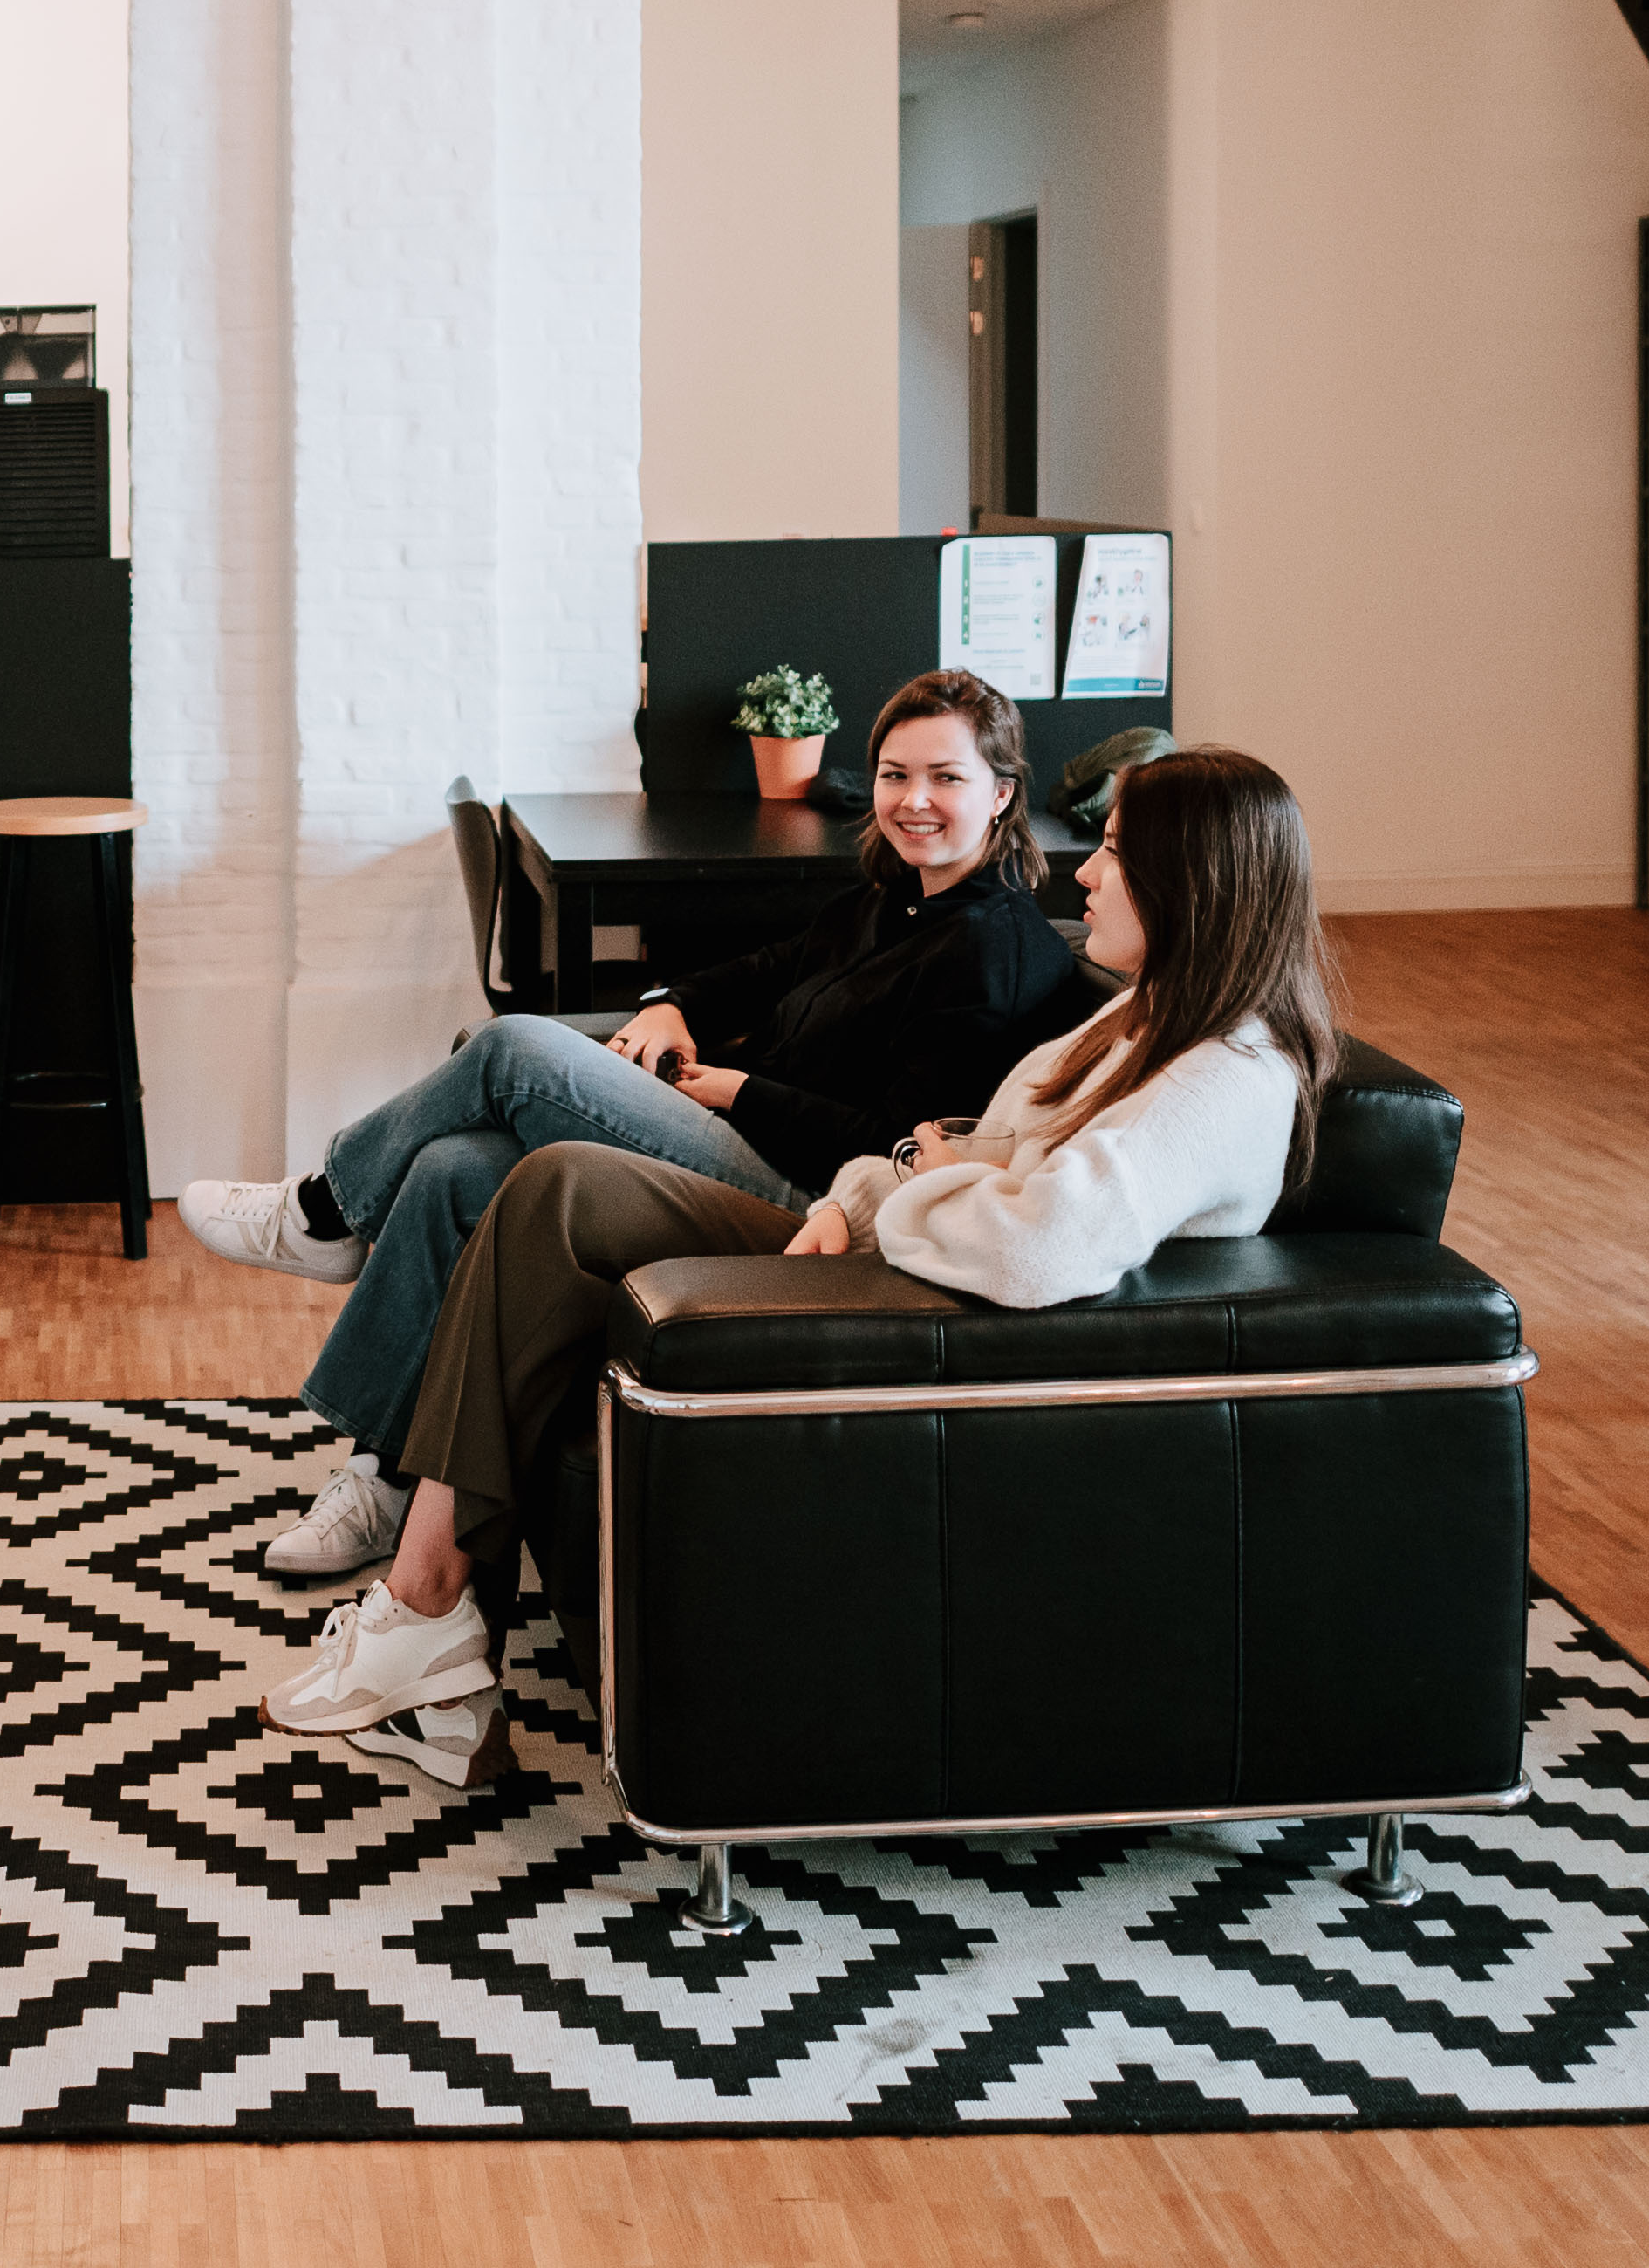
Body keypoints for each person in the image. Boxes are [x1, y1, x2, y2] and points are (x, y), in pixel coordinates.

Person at [257, 744, 1339, 1785]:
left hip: (913, 1316)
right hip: (876, 1252)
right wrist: (893, 1178)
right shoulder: (1141, 1020)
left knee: (548, 1164)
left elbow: (1043, 1235)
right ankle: (432, 1633)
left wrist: (905, 1182)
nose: (1089, 870)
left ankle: (422, 1601)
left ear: (1192, 880)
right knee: (531, 1185)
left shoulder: (1229, 1074)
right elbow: (978, 1159)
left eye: (1115, 849)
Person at [175, 671, 1089, 1580]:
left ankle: (324, 1208)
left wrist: (734, 1091)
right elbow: (761, 967)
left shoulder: (990, 947)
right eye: (894, 774)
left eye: (946, 777)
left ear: (1002, 792)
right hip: (749, 1141)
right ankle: (383, 1474)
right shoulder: (884, 900)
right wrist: (671, 1005)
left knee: (513, 1050)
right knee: (458, 1165)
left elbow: (893, 1143)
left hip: (813, 1203)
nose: (913, 799)